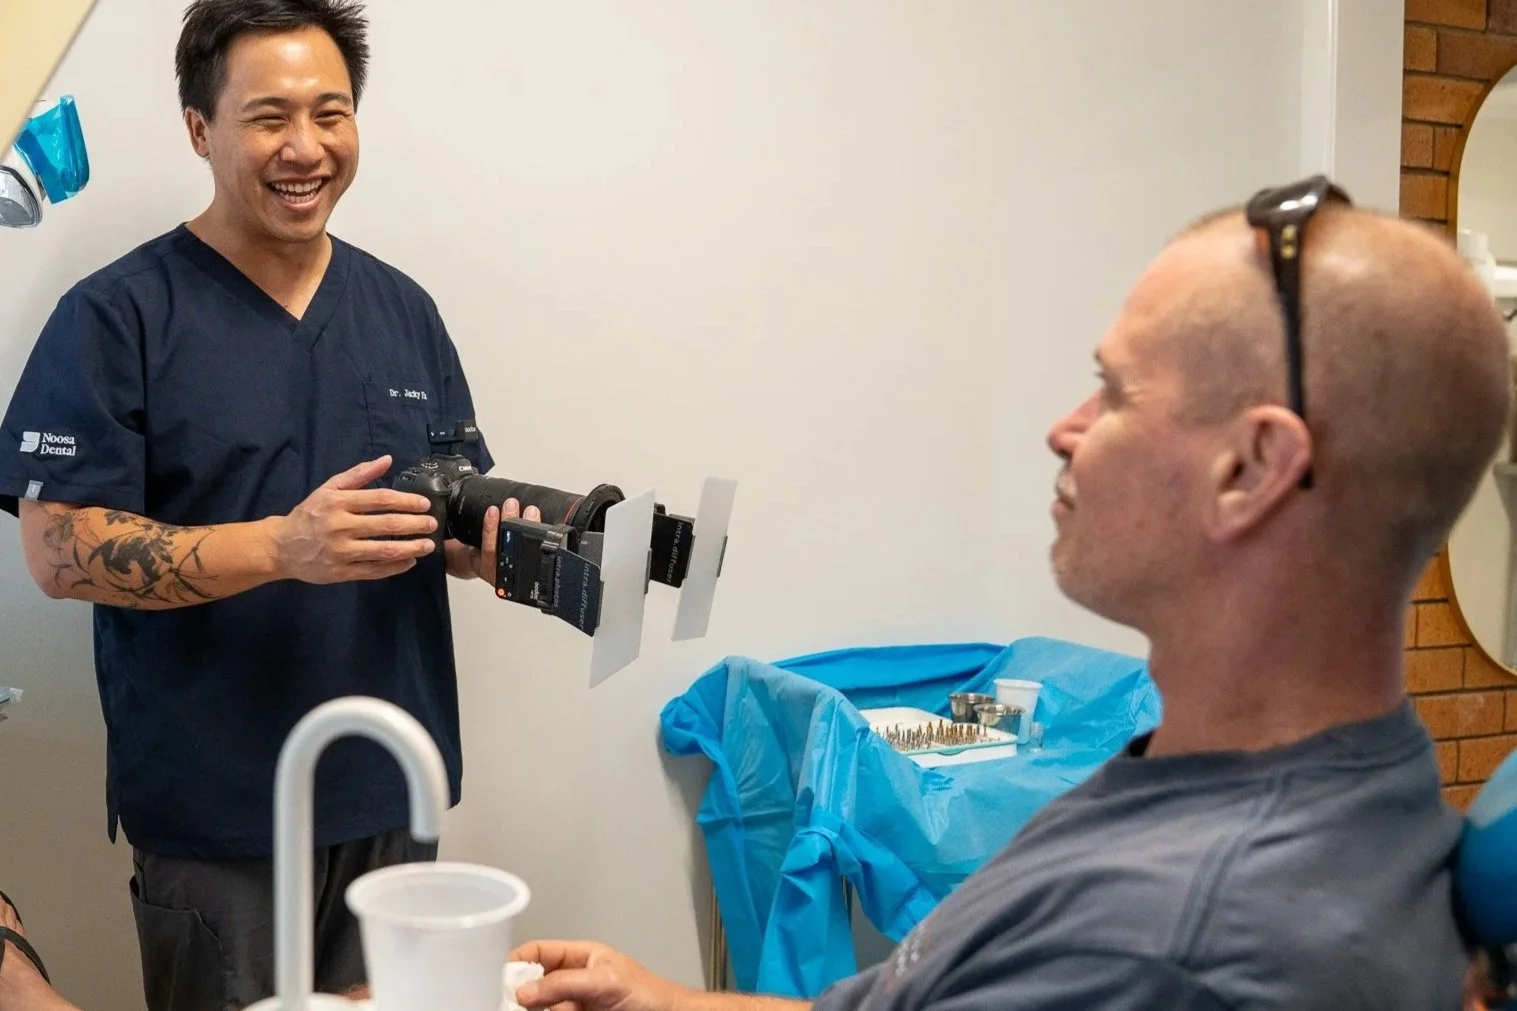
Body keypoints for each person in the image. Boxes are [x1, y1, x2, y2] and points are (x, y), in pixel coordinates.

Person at [507, 178, 1514, 1010]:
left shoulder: (1162, 950)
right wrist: (666, 1001)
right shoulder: (1280, 784)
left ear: (1250, 468)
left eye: (1112, 393)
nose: (1062, 430)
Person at [0, 2, 537, 1008]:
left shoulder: (403, 310)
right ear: (199, 128)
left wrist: (489, 545)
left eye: (330, 113)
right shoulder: (117, 316)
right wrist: (286, 547)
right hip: (217, 817)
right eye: (269, 117)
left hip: (390, 792)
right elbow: (58, 550)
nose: (306, 147)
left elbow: (443, 511)